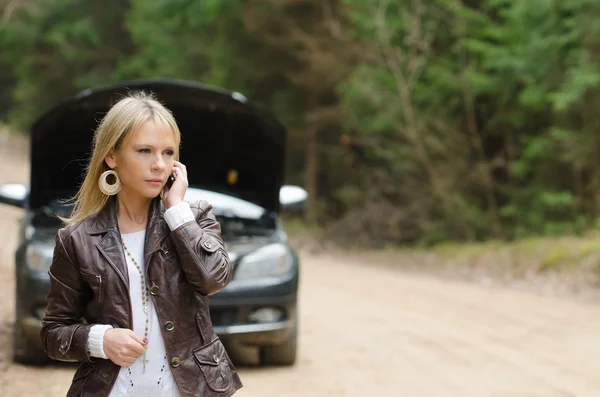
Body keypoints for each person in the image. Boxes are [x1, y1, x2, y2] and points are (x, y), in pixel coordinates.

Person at [41, 91, 243, 397]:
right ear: (112, 156)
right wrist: (101, 339)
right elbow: (54, 332)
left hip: (192, 388)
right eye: (145, 151)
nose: (159, 165)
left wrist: (177, 211)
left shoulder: (193, 216)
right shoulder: (76, 240)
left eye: (169, 152)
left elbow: (214, 279)